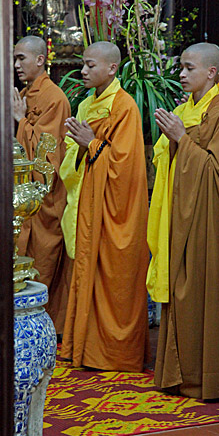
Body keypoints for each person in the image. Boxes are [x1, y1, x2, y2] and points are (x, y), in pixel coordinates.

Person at [147, 42, 219, 399]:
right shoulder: (189, 108)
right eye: (180, 67)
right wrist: (176, 138)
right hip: (182, 212)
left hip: (208, 220)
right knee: (181, 288)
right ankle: (178, 372)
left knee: (201, 290)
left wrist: (182, 138)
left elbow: (218, 172)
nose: (181, 75)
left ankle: (204, 378)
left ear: (211, 72)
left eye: (188, 68)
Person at [59, 41, 149, 372]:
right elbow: (70, 159)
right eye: (82, 65)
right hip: (87, 203)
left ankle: (112, 353)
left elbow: (125, 167)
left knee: (114, 276)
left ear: (112, 68)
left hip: (113, 208)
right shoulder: (85, 105)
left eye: (89, 65)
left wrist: (92, 143)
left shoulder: (124, 107)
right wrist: (83, 146)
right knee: (86, 270)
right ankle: (82, 347)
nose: (82, 71)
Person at [13, 35, 72, 334]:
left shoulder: (55, 98)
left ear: (40, 60)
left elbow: (46, 158)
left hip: (45, 197)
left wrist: (20, 121)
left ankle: (42, 329)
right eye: (15, 58)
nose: (16, 65)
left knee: (43, 260)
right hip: (23, 196)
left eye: (22, 58)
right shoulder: (26, 94)